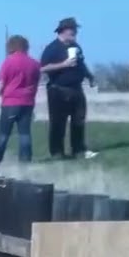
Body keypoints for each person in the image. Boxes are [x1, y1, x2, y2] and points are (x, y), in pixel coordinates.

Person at [40, 17, 98, 160]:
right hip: (58, 90)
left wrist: (89, 76)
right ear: (64, 31)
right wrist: (63, 64)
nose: (75, 33)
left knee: (79, 120)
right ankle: (57, 153)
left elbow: (81, 64)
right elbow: (43, 68)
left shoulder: (76, 47)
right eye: (73, 30)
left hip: (76, 89)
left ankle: (78, 150)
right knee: (58, 123)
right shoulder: (52, 48)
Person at [0, 35, 42, 168]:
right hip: (27, 103)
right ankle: (25, 162)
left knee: (4, 134)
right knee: (25, 134)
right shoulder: (34, 63)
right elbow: (36, 82)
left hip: (10, 103)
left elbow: (1, 83)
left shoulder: (9, 62)